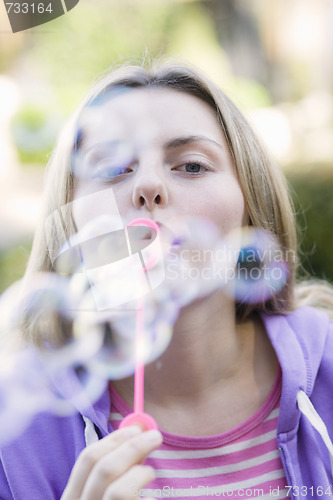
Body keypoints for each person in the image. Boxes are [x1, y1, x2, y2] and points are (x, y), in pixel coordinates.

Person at [1, 58, 333, 500]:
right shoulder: (16, 437)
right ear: (71, 222)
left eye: (192, 166)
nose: (149, 186)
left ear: (250, 205)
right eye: (112, 168)